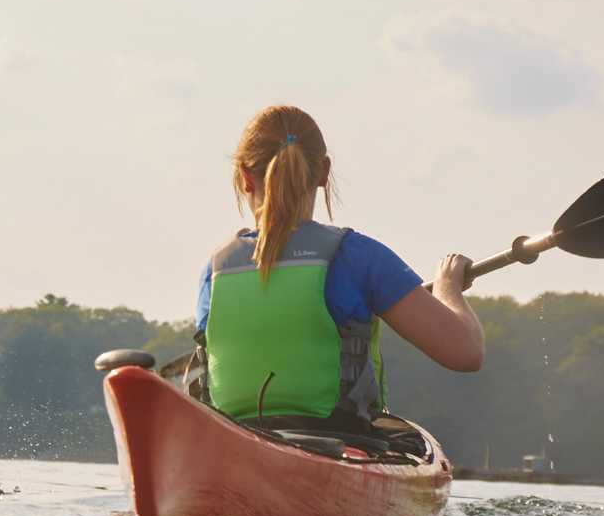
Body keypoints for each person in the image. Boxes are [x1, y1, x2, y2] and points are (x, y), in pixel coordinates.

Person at [196, 105, 483, 426]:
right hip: (340, 437)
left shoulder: (216, 271)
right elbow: (465, 352)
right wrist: (448, 287)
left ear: (245, 177)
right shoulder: (357, 257)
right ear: (323, 172)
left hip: (236, 441)